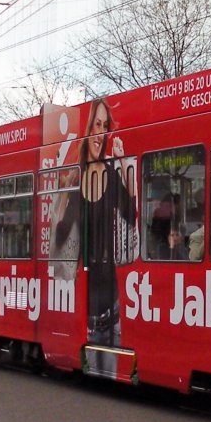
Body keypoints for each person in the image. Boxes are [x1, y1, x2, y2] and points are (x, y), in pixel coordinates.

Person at [54, 98, 137, 376]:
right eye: (96, 124)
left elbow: (130, 212)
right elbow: (60, 234)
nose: (100, 133)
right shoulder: (77, 181)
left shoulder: (113, 177)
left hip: (111, 311)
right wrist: (64, 190)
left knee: (113, 373)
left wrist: (124, 162)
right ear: (88, 129)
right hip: (86, 313)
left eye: (105, 126)